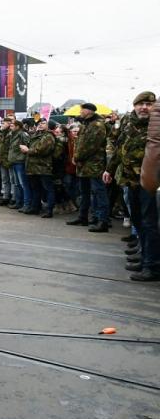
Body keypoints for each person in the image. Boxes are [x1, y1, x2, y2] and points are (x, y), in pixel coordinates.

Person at [104, 92, 158, 280]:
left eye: (148, 104)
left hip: (149, 182)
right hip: (130, 180)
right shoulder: (129, 123)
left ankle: (153, 266)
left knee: (150, 224)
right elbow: (119, 148)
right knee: (138, 220)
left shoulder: (156, 126)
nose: (144, 107)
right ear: (134, 106)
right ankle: (144, 257)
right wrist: (109, 169)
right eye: (140, 104)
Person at [69, 103, 110, 232]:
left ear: (89, 111)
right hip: (84, 165)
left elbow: (90, 146)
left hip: (94, 164)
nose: (80, 112)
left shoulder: (97, 125)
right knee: (84, 192)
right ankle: (83, 217)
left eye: (82, 110)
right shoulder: (86, 124)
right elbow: (80, 143)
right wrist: (76, 156)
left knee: (99, 192)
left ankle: (103, 221)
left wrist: (76, 157)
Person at [24, 119, 57, 217]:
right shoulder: (37, 134)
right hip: (33, 167)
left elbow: (41, 150)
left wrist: (28, 150)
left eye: (43, 123)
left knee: (48, 189)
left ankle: (49, 210)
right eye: (39, 123)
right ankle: (35, 207)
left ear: (48, 125)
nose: (40, 125)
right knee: (35, 188)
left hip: (43, 167)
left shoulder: (48, 136)